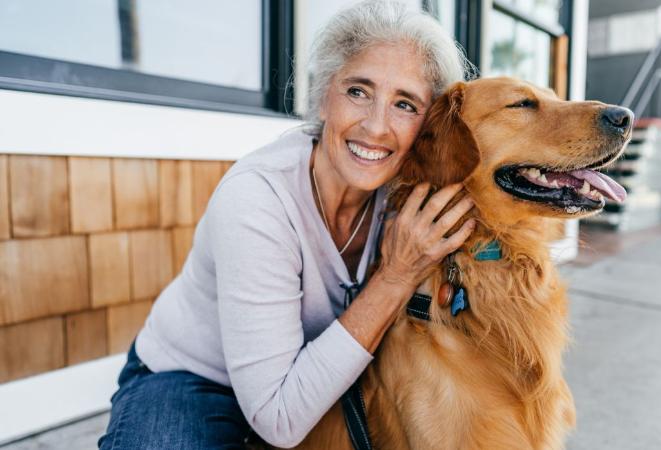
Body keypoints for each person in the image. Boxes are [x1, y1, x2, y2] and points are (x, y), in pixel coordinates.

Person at [98, 1, 475, 448]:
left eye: (405, 104)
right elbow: (278, 419)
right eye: (358, 91)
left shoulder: (406, 194)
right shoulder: (257, 197)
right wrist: (395, 277)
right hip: (194, 378)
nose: (376, 127)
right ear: (323, 96)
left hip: (326, 379)